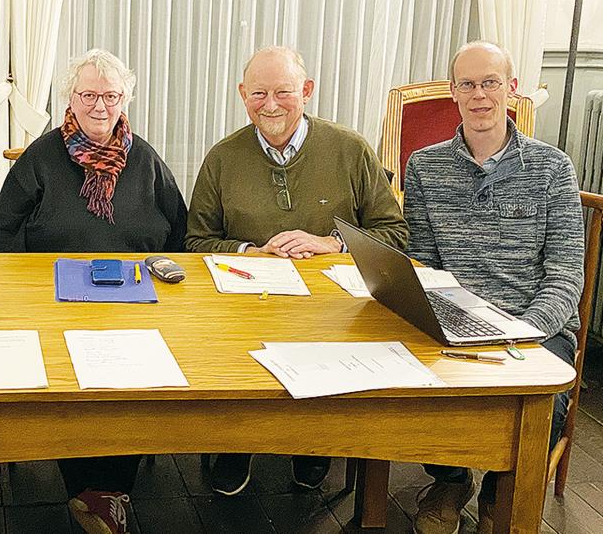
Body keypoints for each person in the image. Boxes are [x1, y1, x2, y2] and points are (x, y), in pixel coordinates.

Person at [185, 46, 408, 496]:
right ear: (242, 94)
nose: (270, 105)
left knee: (324, 355)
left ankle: (314, 443)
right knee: (235, 355)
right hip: (247, 308)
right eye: (258, 94)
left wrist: (333, 242)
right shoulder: (223, 157)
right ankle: (237, 444)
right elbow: (195, 242)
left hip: (332, 313)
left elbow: (395, 234)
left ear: (306, 91)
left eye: (283, 92)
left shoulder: (351, 150)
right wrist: (252, 251)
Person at [0, 48, 187, 534]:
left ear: (125, 100)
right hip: (55, 301)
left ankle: (111, 489)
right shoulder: (40, 157)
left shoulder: (145, 159)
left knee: (135, 384)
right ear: (70, 99)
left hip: (136, 302)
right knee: (70, 388)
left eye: (111, 96)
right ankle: (86, 487)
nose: (100, 106)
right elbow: (5, 234)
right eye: (88, 95)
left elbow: (178, 234)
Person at [404, 41, 583, 534]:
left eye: (490, 83)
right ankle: (450, 480)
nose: (479, 95)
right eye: (467, 84)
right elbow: (423, 265)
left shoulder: (553, 168)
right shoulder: (424, 166)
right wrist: (444, 319)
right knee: (412, 381)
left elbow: (566, 274)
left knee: (542, 397)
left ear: (512, 88)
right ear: (453, 91)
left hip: (536, 327)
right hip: (454, 321)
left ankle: (501, 494)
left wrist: (521, 332)